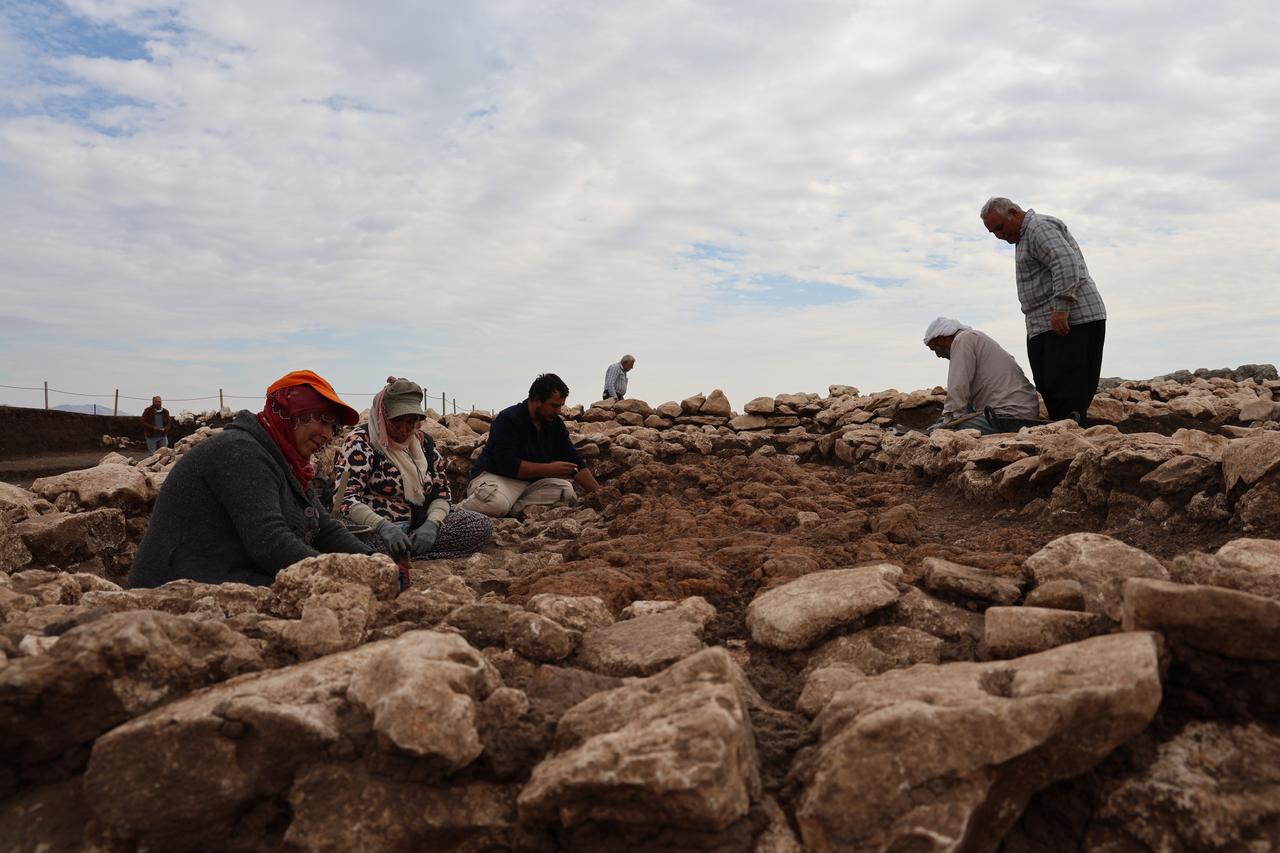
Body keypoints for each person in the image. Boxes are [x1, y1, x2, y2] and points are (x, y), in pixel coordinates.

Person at [129, 370, 373, 588]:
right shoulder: (241, 453)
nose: (329, 434)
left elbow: (324, 528)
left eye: (334, 427)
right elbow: (271, 543)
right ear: (291, 413)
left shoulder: (284, 460)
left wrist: (375, 563)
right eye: (322, 420)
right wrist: (348, 578)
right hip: (176, 589)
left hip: (226, 575)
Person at [335, 377, 492, 561]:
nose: (404, 429)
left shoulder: (424, 443)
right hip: (376, 530)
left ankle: (405, 551)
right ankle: (403, 552)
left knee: (480, 525)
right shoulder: (361, 442)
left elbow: (442, 494)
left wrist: (432, 524)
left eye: (411, 421)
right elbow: (346, 499)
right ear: (382, 414)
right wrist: (383, 526)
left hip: (417, 526)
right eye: (397, 421)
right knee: (345, 536)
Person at [980, 197, 1107, 423]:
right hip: (1046, 324)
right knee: (1051, 385)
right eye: (993, 233)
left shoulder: (1038, 227)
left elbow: (1066, 263)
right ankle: (1066, 436)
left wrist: (1061, 308)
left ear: (1013, 213)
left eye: (1000, 227)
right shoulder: (1025, 236)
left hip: (1071, 320)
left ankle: (1071, 439)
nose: (999, 235)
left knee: (1067, 388)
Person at [458, 373, 601, 518]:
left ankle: (512, 510)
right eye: (554, 406)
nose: (558, 412)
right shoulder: (508, 419)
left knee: (566, 492)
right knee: (495, 503)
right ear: (537, 399)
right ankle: (451, 513)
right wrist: (549, 469)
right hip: (497, 478)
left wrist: (601, 495)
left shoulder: (554, 424)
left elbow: (574, 461)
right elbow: (506, 464)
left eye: (561, 406)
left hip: (530, 485)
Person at [923, 317, 1041, 434]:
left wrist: (947, 423)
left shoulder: (962, 340)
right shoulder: (973, 338)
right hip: (1021, 412)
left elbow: (958, 385)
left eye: (935, 349)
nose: (938, 355)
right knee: (962, 413)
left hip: (1011, 415)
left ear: (941, 340)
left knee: (952, 431)